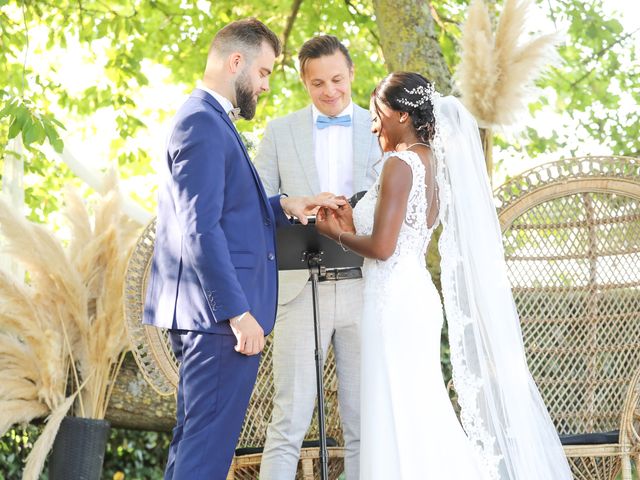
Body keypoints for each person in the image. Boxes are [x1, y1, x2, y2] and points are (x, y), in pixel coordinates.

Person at [316, 72, 573, 479]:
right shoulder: (430, 162)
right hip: (413, 293)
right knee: (417, 409)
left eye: (376, 114)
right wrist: (353, 224)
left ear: (400, 114)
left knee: (396, 409)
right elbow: (401, 237)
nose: (372, 124)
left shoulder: (399, 164)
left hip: (393, 302)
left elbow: (382, 249)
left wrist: (339, 234)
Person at [143, 19, 345, 480]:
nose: (266, 85)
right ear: (237, 62)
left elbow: (227, 214)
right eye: (265, 72)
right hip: (218, 320)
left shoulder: (208, 119)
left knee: (197, 443)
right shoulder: (202, 122)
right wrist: (237, 313)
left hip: (210, 317)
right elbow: (200, 228)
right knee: (206, 453)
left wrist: (285, 205)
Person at [254, 35, 380, 479]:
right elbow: (258, 202)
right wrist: (298, 202)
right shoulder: (279, 131)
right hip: (299, 288)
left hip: (365, 288)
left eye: (338, 80)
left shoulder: (379, 129)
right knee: (287, 421)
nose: (329, 91)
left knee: (366, 421)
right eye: (318, 83)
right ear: (304, 83)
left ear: (352, 75)